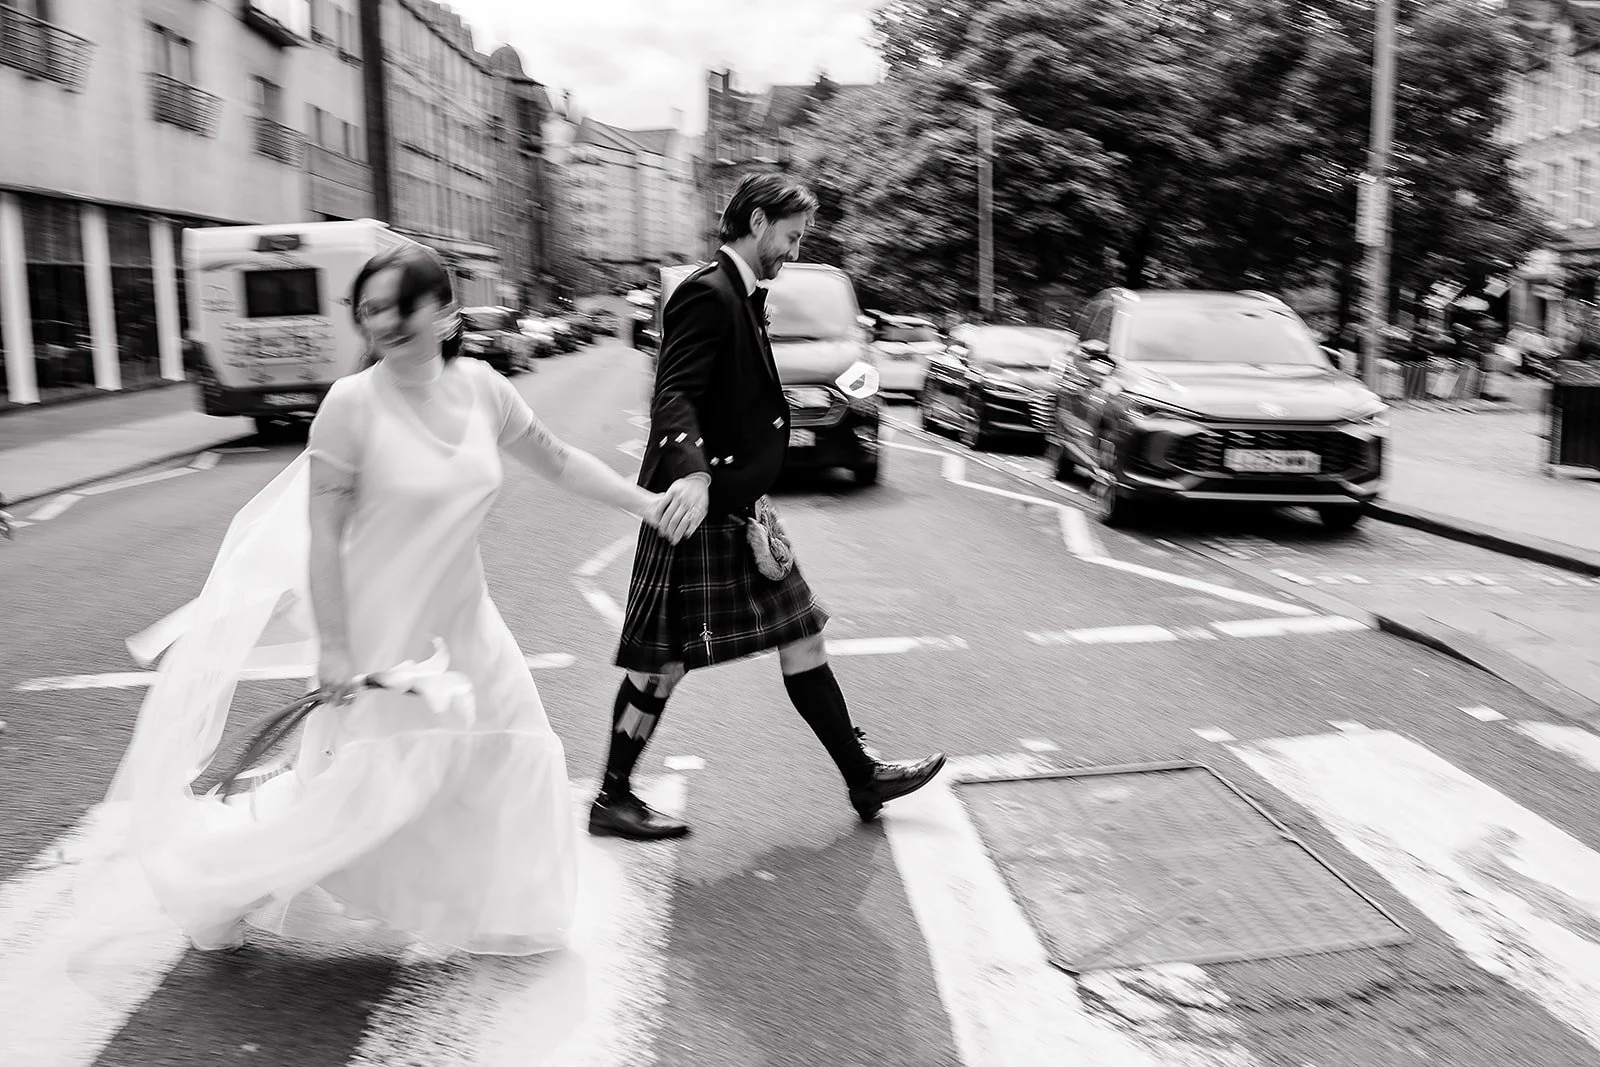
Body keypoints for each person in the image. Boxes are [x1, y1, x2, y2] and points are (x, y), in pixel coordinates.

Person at [107, 240, 670, 953]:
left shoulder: (485, 390)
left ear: (446, 312)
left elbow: (557, 459)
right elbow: (322, 534)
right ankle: (222, 882)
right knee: (364, 794)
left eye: (402, 303)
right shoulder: (350, 406)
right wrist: (336, 648)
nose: (384, 320)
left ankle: (509, 912)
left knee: (512, 749)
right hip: (381, 636)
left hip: (466, 624)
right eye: (370, 307)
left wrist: (643, 503)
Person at [588, 172, 947, 841]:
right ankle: (612, 795)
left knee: (802, 632)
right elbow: (675, 393)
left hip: (737, 505)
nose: (791, 248)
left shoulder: (744, 294)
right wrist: (691, 474)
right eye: (789, 235)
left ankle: (861, 774)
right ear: (756, 221)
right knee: (660, 664)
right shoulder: (708, 292)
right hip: (700, 508)